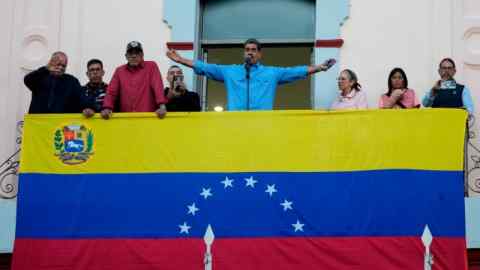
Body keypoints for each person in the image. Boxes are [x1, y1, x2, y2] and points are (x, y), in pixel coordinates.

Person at [166, 38, 336, 111]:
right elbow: (204, 67)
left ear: (260, 54)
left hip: (262, 126)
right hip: (235, 126)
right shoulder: (230, 71)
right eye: (247, 50)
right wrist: (180, 60)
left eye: (254, 50)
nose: (250, 53)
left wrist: (319, 67)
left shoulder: (271, 73)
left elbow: (295, 72)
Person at [101, 41, 167, 119]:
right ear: (126, 56)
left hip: (148, 118)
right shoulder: (119, 71)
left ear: (142, 55)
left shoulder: (151, 66)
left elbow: (157, 86)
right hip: (126, 119)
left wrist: (162, 106)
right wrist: (107, 107)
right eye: (130, 53)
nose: (134, 56)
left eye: (137, 53)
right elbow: (111, 92)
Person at [24, 51, 91, 114]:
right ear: (51, 63)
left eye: (63, 66)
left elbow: (81, 98)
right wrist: (46, 68)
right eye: (58, 64)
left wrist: (87, 108)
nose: (60, 67)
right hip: (38, 122)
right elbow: (27, 80)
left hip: (60, 123)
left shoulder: (71, 81)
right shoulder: (41, 76)